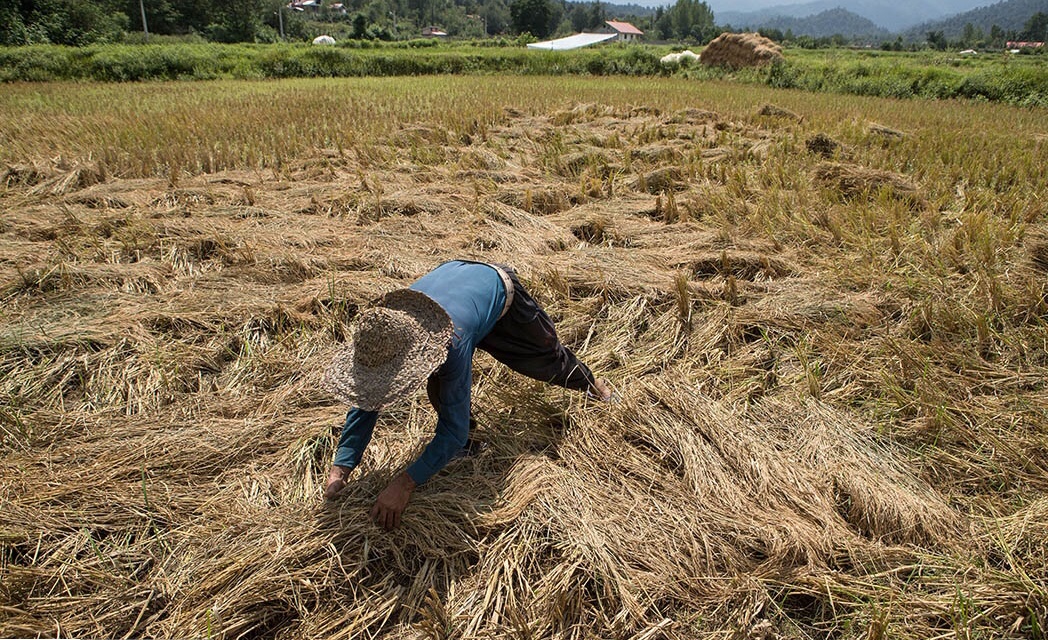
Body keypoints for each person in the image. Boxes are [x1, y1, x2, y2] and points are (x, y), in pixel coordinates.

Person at [323, 260, 613, 530]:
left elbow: (452, 430)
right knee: (441, 388)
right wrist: (342, 466)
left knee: (546, 360)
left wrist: (405, 483)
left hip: (499, 291)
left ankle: (593, 386)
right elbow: (369, 396)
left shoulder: (448, 345)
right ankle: (470, 446)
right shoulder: (384, 335)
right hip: (456, 286)